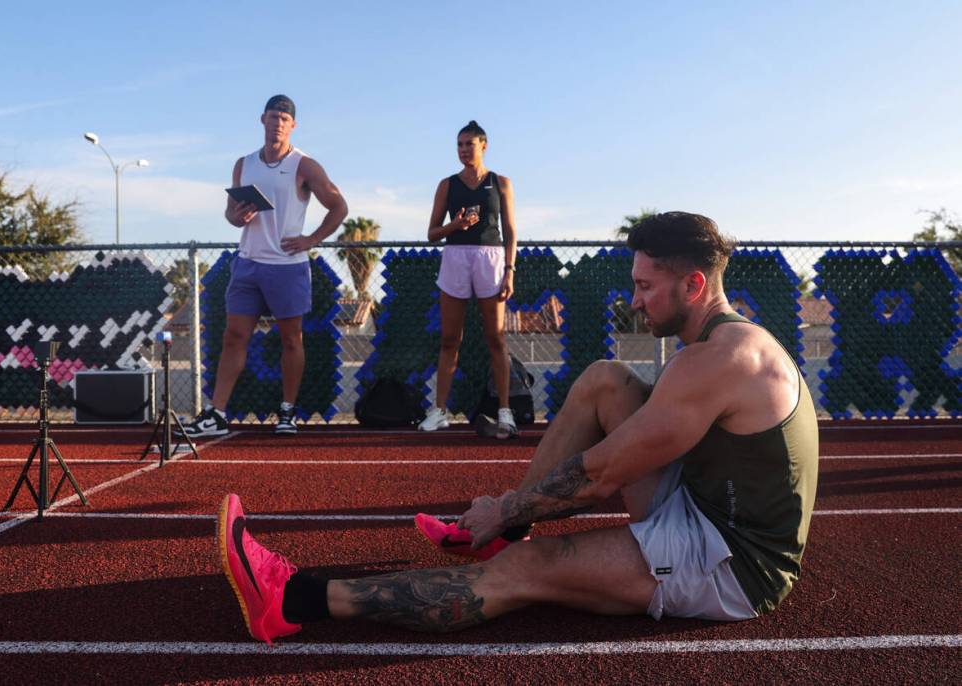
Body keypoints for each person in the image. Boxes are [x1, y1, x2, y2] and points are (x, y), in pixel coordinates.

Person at [216, 212, 819, 642]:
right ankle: (510, 534)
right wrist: (513, 511)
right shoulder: (720, 343)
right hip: (699, 502)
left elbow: (603, 475)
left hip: (730, 564)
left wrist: (501, 506)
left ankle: (294, 600)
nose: (636, 301)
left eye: (645, 286)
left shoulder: (720, 359)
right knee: (605, 379)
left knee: (523, 574)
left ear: (693, 285)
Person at [180, 95, 347, 437]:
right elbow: (230, 213)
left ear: (293, 125)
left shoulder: (305, 165)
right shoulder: (244, 164)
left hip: (287, 265)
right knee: (234, 337)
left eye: (284, 119)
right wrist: (237, 217)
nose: (278, 124)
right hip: (248, 263)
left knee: (290, 341)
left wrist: (311, 239)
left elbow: (339, 207)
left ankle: (287, 412)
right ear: (262, 120)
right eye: (273, 117)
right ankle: (217, 414)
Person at [417, 120, 519, 439]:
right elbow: (432, 233)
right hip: (455, 257)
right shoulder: (447, 185)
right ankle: (440, 411)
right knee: (450, 339)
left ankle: (505, 412)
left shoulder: (500, 182)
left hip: (490, 257)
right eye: (459, 145)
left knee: (496, 338)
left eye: (469, 144)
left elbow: (512, 232)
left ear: (483, 146)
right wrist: (455, 225)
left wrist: (509, 270)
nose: (463, 150)